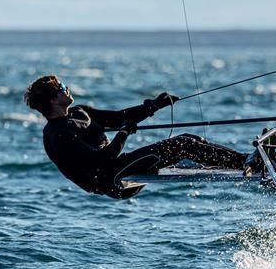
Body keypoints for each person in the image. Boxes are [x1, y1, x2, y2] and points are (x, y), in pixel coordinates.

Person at [23, 75, 256, 199]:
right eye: (61, 87)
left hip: (118, 165)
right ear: (53, 100)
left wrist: (153, 105)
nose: (67, 88)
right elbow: (101, 160)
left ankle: (244, 160)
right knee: (182, 145)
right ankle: (249, 164)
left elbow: (117, 118)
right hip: (111, 180)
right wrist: (123, 134)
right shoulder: (58, 135)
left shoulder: (79, 112)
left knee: (188, 139)